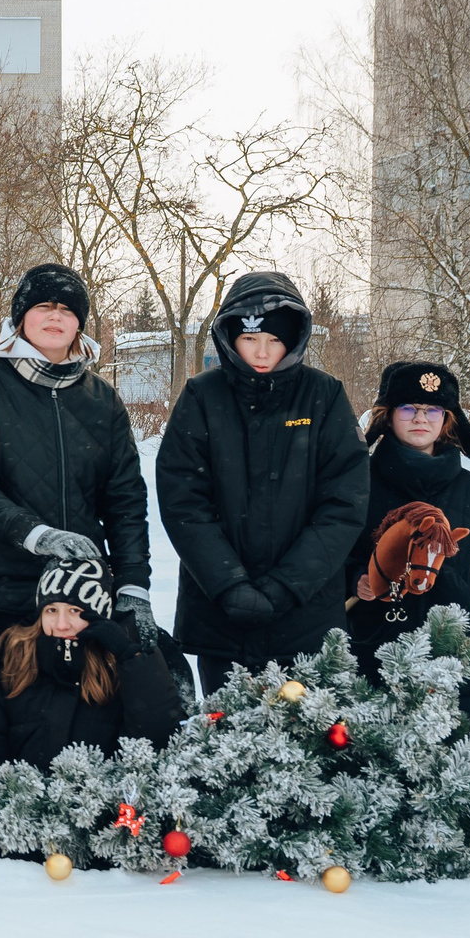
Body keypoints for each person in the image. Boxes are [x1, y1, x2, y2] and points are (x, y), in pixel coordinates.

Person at [0, 263, 154, 699]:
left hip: (79, 592)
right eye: (43, 306)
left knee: (80, 724)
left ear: (79, 323)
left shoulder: (102, 400)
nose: (55, 317)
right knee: (3, 722)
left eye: (66, 309)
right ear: (22, 317)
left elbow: (125, 499)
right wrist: (36, 535)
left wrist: (133, 585)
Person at [154, 271, 370, 695]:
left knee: (307, 743)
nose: (261, 352)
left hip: (305, 615)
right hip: (220, 613)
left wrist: (286, 586)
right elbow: (183, 501)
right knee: (227, 741)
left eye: (273, 340)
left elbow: (344, 504)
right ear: (230, 336)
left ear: (293, 339)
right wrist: (229, 583)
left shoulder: (323, 396)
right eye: (250, 339)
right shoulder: (202, 396)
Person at [344, 362, 470, 726]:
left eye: (433, 410)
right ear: (388, 415)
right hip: (371, 650)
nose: (420, 419)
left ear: (448, 419)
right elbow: (325, 552)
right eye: (408, 408)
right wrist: (355, 579)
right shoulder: (356, 487)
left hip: (461, 655)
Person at [0, 558, 190, 800]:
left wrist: (129, 655)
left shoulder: (127, 672)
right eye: (52, 610)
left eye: (75, 611)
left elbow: (159, 739)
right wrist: (14, 808)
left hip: (111, 824)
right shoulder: (17, 672)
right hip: (28, 828)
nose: (61, 625)